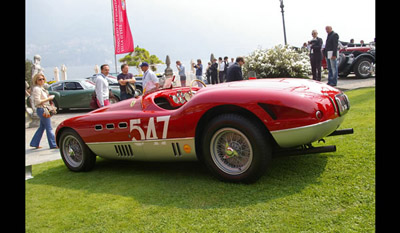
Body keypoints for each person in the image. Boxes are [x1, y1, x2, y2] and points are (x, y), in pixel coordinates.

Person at [29, 73, 58, 149]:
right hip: (42, 109)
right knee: (49, 127)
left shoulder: (41, 88)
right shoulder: (37, 89)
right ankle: (53, 144)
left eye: (43, 79)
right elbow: (38, 101)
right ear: (36, 80)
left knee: (42, 127)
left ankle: (34, 143)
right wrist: (49, 98)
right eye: (40, 79)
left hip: (43, 109)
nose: (42, 80)